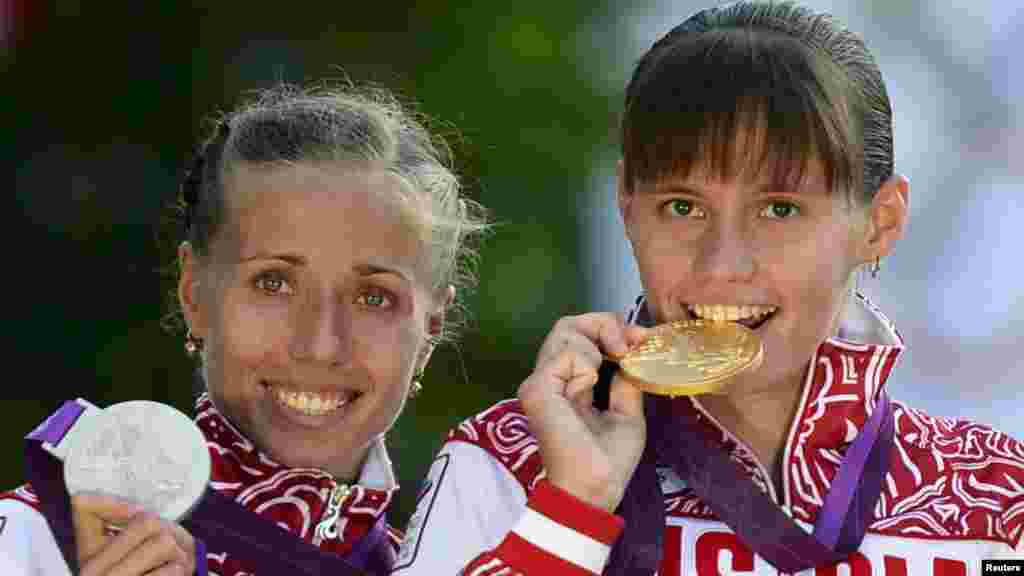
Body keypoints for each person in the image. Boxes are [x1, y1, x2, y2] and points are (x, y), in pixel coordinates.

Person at [393, 2, 1024, 574]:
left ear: (880, 223)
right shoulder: (506, 465)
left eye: (779, 209)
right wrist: (572, 509)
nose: (723, 264)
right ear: (627, 207)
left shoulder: (997, 498)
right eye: (682, 207)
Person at [0, 82, 488, 575]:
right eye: (273, 283)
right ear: (194, 293)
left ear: (430, 329)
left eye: (373, 297)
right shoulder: (34, 541)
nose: (320, 346)